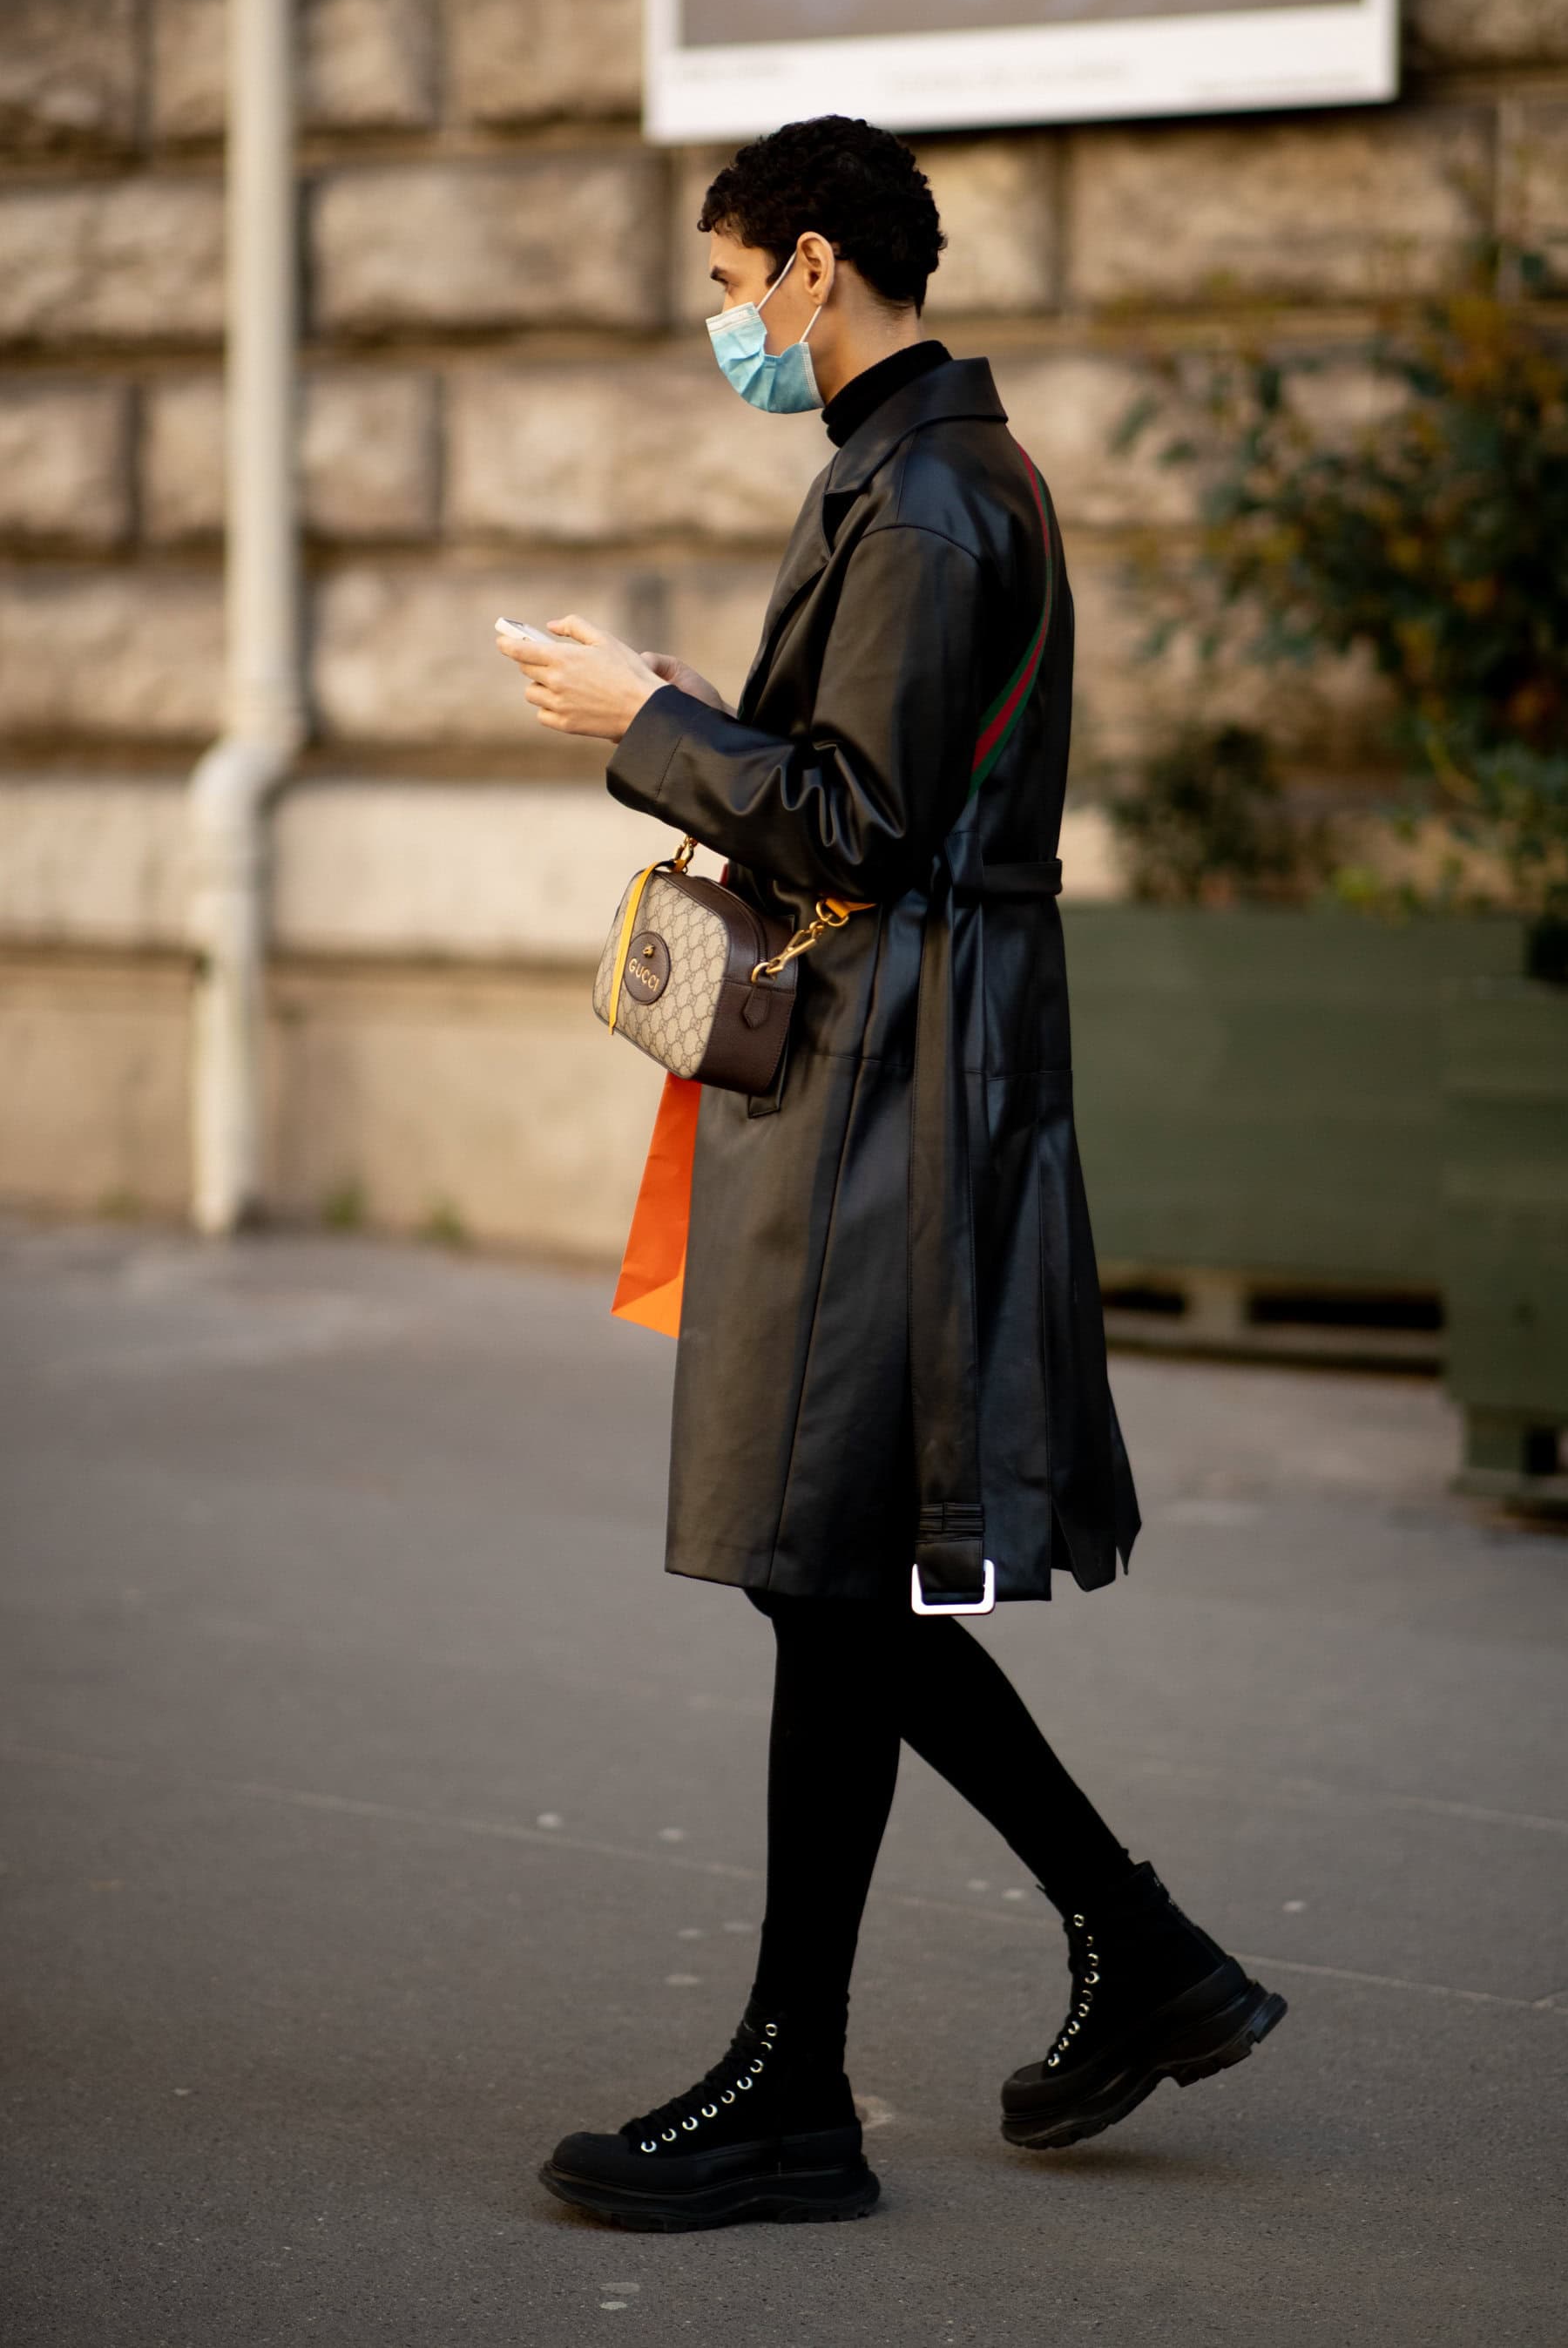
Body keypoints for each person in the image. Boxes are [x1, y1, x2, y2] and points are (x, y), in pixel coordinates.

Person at [498, 114, 1286, 2234]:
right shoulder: (919, 470)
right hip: (892, 1062)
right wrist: (694, 716)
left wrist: (641, 720)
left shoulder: (927, 494)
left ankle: (815, 2082)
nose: (722, 321)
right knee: (826, 1564)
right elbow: (876, 789)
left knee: (824, 1558)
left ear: (815, 268)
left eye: (728, 281)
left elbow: (855, 822)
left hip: (894, 1083)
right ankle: (1119, 1958)